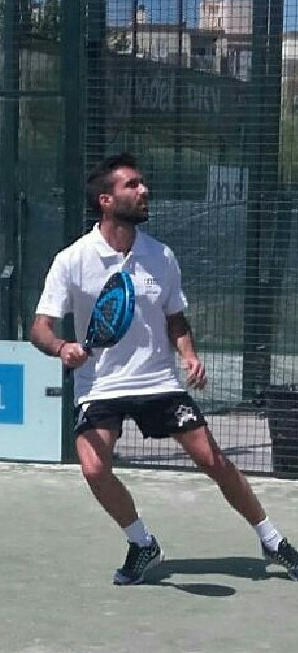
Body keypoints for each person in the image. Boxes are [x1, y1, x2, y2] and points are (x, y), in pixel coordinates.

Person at [30, 153, 298, 586]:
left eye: (143, 183)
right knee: (94, 469)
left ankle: (271, 539)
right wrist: (63, 348)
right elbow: (40, 328)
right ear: (105, 200)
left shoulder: (161, 256)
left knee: (213, 460)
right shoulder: (72, 260)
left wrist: (189, 355)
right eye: (132, 185)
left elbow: (175, 318)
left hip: (158, 380)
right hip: (100, 385)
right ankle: (142, 543)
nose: (144, 190)